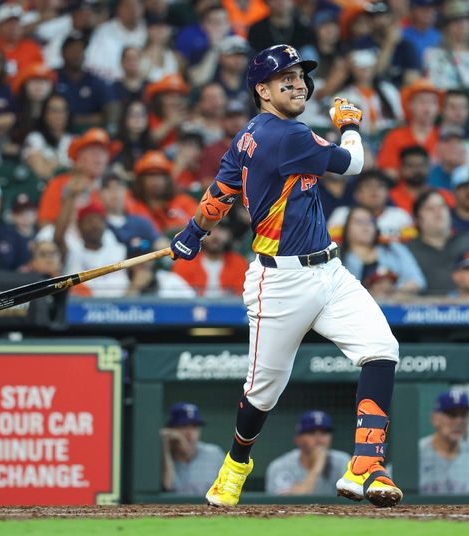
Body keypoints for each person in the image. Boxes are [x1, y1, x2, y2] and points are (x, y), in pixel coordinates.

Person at [169, 44, 402, 507]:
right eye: (285, 79)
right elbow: (353, 163)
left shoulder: (249, 135)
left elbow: (221, 192)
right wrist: (350, 123)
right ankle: (235, 466)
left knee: (381, 349)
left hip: (329, 270)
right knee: (262, 392)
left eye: (299, 76)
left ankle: (365, 465)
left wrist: (194, 231)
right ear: (262, 89)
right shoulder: (286, 135)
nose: (297, 84)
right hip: (279, 282)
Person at [419, 389, 469, 495]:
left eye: (464, 415)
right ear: (435, 419)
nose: (459, 421)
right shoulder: (414, 455)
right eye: (452, 415)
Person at [340, 205, 426, 298]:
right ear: (347, 228)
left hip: (394, 307)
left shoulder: (394, 249)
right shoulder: (337, 257)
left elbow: (417, 280)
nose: (366, 226)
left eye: (370, 221)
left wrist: (393, 293)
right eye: (359, 221)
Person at [265, 410, 351, 495]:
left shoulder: (343, 462)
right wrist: (317, 466)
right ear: (298, 440)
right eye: (311, 433)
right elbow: (286, 504)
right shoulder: (281, 466)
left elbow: (352, 501)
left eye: (324, 432)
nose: (319, 439)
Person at [327, 170, 413, 244]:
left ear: (388, 194)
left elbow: (411, 247)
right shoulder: (342, 214)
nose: (374, 190)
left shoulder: (401, 216)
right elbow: (332, 244)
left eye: (380, 185)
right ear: (357, 194)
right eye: (368, 185)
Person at [160, 402, 225, 496]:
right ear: (171, 430)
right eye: (183, 426)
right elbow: (168, 486)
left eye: (194, 427)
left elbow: (232, 492)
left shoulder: (215, 454)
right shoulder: (164, 457)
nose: (190, 432)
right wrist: (165, 448)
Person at [171, 225, 248, 297]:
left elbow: (241, 297)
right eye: (210, 231)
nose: (215, 235)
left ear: (229, 234)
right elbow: (179, 298)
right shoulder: (185, 262)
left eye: (221, 230)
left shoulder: (239, 263)